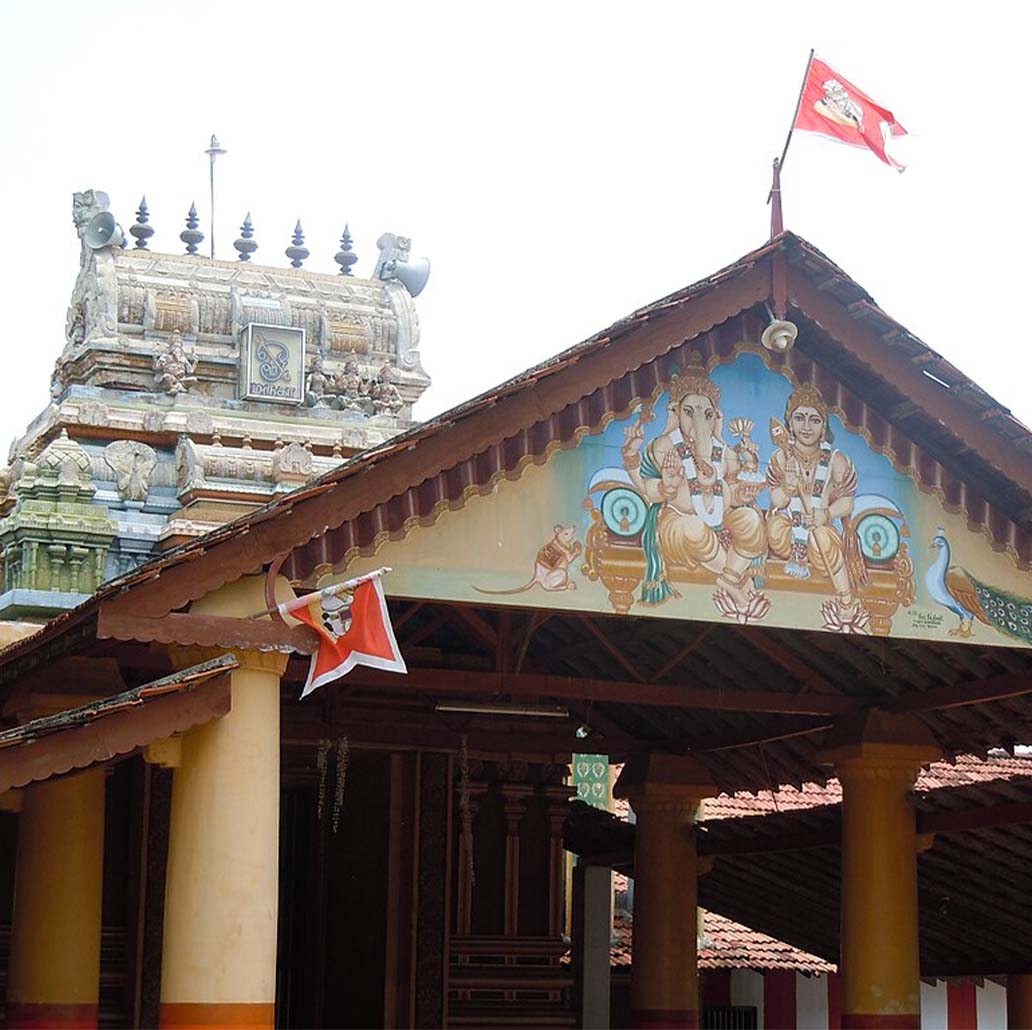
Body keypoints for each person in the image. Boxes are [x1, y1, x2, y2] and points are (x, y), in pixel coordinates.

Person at [621, 357, 766, 611]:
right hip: (678, 522)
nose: (699, 422)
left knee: (752, 520)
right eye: (689, 412)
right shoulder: (664, 445)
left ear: (715, 418)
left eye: (707, 415)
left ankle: (729, 578)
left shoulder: (725, 451)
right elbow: (647, 490)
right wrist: (667, 486)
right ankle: (738, 577)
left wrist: (743, 491)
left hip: (721, 521)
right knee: (694, 528)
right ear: (676, 412)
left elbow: (733, 492)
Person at [766, 382, 866, 631]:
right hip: (788, 531)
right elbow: (777, 501)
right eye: (799, 418)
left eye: (814, 420)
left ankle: (845, 598)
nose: (806, 427)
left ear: (823, 427)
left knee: (821, 537)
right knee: (774, 528)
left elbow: (848, 502)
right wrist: (788, 488)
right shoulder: (780, 457)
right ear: (789, 423)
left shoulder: (836, 460)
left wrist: (826, 514)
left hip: (820, 532)